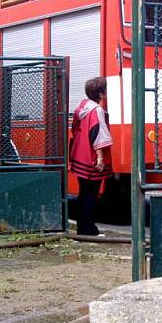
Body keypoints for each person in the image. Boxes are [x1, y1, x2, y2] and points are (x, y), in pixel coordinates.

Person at [69, 77, 113, 236]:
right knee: (91, 195)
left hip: (79, 155)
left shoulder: (80, 107)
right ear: (101, 94)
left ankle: (82, 227)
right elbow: (98, 134)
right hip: (91, 158)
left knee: (83, 193)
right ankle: (88, 229)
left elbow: (75, 131)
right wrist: (100, 158)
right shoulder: (97, 111)